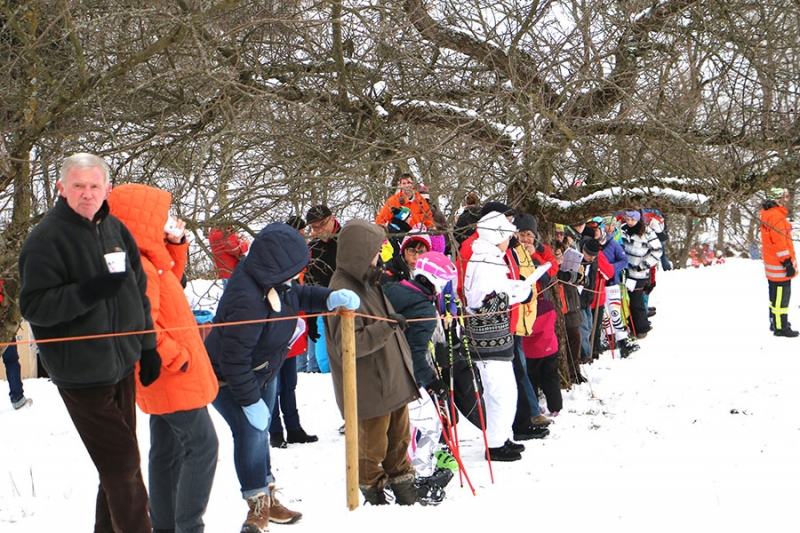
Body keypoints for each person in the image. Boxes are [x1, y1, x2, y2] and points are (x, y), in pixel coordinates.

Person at [18, 153, 161, 533]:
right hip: (81, 373)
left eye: (94, 185)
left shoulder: (116, 230)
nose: (87, 194)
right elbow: (34, 306)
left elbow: (139, 294)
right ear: (62, 188)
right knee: (123, 466)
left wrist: (147, 346)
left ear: (107, 189)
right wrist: (87, 291)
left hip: (122, 364)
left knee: (116, 469)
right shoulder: (45, 239)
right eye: (78, 186)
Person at [204, 222, 359, 532]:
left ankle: (268, 495)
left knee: (259, 434)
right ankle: (256, 504)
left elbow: (298, 295)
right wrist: (250, 401)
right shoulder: (246, 298)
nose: (295, 275)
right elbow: (233, 360)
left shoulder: (274, 281)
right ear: (276, 264)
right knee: (250, 433)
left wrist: (330, 298)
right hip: (228, 378)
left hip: (264, 370)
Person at [108, 183, 220, 533]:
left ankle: (166, 526)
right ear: (140, 222)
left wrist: (175, 244)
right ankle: (188, 527)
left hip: (167, 377)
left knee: (166, 452)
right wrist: (178, 358)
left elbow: (171, 275)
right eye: (159, 218)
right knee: (202, 447)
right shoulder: (138, 268)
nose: (165, 221)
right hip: (172, 375)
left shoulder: (147, 261)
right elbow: (144, 326)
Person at [324, 219, 421, 505]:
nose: (379, 257)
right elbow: (347, 345)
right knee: (370, 449)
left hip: (392, 379)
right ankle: (371, 496)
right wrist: (387, 326)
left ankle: (405, 490)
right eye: (374, 251)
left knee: (399, 440)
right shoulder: (341, 290)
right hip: (369, 386)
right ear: (359, 252)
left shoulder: (369, 281)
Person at [384, 251, 459, 503]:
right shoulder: (424, 309)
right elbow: (415, 355)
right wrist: (433, 382)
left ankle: (406, 473)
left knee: (400, 427)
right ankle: (418, 477)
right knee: (428, 424)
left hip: (380, 372)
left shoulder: (390, 290)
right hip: (404, 378)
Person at [462, 212, 537, 462]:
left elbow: (499, 290)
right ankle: (494, 444)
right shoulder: (484, 260)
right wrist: (518, 295)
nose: (510, 239)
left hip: (498, 337)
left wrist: (517, 287)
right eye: (506, 235)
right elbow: (484, 302)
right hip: (487, 339)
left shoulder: (491, 257)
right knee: (499, 392)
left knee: (507, 390)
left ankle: (503, 436)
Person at [270, 216, 318, 447]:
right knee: (273, 386)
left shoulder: (300, 262)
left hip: (291, 331)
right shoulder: (273, 266)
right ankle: (275, 430)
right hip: (273, 334)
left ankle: (294, 427)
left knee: (289, 384)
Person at [304, 204, 341, 374]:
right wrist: (310, 318)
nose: (320, 230)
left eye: (322, 224)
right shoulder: (312, 249)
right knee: (324, 361)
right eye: (314, 227)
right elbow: (310, 284)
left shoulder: (346, 241)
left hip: (348, 308)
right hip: (322, 309)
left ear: (332, 219)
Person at [760, 188, 799, 337]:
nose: (788, 198)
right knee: (781, 299)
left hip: (773, 264)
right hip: (779, 266)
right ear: (778, 199)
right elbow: (779, 242)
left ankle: (776, 322)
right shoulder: (776, 216)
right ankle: (780, 327)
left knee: (774, 297)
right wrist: (787, 262)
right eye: (786, 196)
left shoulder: (768, 213)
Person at [620, 210, 663, 339]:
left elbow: (658, 250)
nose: (630, 222)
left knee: (636, 301)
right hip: (625, 270)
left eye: (633, 220)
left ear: (638, 219)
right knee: (626, 300)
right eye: (627, 219)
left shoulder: (647, 232)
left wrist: (644, 265)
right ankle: (630, 325)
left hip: (639, 272)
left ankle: (641, 328)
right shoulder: (623, 229)